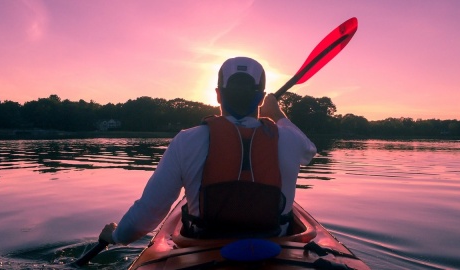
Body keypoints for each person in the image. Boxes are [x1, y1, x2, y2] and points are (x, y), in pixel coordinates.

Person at [99, 56, 317, 244]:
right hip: (275, 248)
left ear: (218, 95)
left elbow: (147, 213)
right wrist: (277, 114)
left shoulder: (186, 140)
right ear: (260, 98)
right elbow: (309, 150)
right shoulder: (290, 140)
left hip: (203, 248)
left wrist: (116, 236)